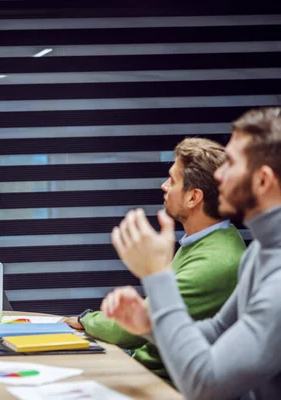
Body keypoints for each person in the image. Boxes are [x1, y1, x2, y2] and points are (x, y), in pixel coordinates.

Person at [103, 107, 281, 399]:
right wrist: (149, 324)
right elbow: (217, 331)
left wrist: (157, 275)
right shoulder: (261, 250)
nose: (219, 175)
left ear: (262, 180)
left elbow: (205, 383)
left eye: (232, 163)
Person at [63, 138, 245, 383]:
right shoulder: (204, 241)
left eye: (172, 180)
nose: (164, 186)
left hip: (165, 385)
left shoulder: (215, 261)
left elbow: (135, 327)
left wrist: (86, 320)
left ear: (193, 197)